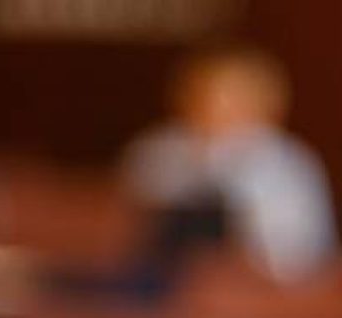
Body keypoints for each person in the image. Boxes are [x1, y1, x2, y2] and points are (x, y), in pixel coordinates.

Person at [123, 45, 337, 284]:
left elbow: (300, 254)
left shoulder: (289, 165)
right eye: (202, 94)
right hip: (165, 285)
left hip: (261, 289)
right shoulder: (158, 152)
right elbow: (133, 228)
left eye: (232, 97)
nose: (215, 107)